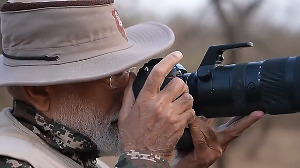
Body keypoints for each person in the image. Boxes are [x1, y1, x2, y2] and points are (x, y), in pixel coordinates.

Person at [0, 0, 264, 167]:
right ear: (38, 91)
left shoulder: (80, 157)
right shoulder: (11, 159)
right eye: (113, 77)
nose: (132, 89)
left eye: (130, 71)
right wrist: (146, 155)